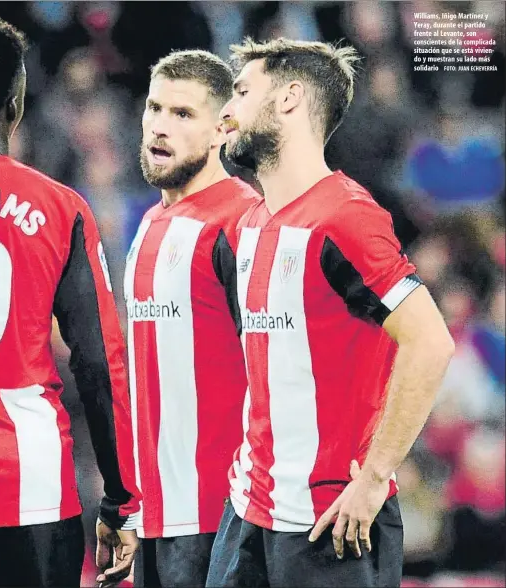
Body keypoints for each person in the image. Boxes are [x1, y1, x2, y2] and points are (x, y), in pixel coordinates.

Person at [207, 37, 455, 588]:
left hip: (329, 521)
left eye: (243, 91)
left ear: (290, 98)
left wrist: (374, 479)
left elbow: (430, 343)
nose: (228, 109)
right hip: (247, 509)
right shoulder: (249, 224)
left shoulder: (344, 218)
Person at [0, 16, 140, 588]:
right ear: (16, 105)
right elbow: (99, 363)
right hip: (34, 487)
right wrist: (119, 498)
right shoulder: (63, 210)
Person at [102, 49, 259, 588]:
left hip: (222, 518)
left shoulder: (242, 221)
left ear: (222, 129)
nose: (160, 128)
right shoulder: (147, 224)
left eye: (183, 114)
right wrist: (127, 504)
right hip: (154, 518)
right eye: (155, 108)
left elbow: (274, 369)